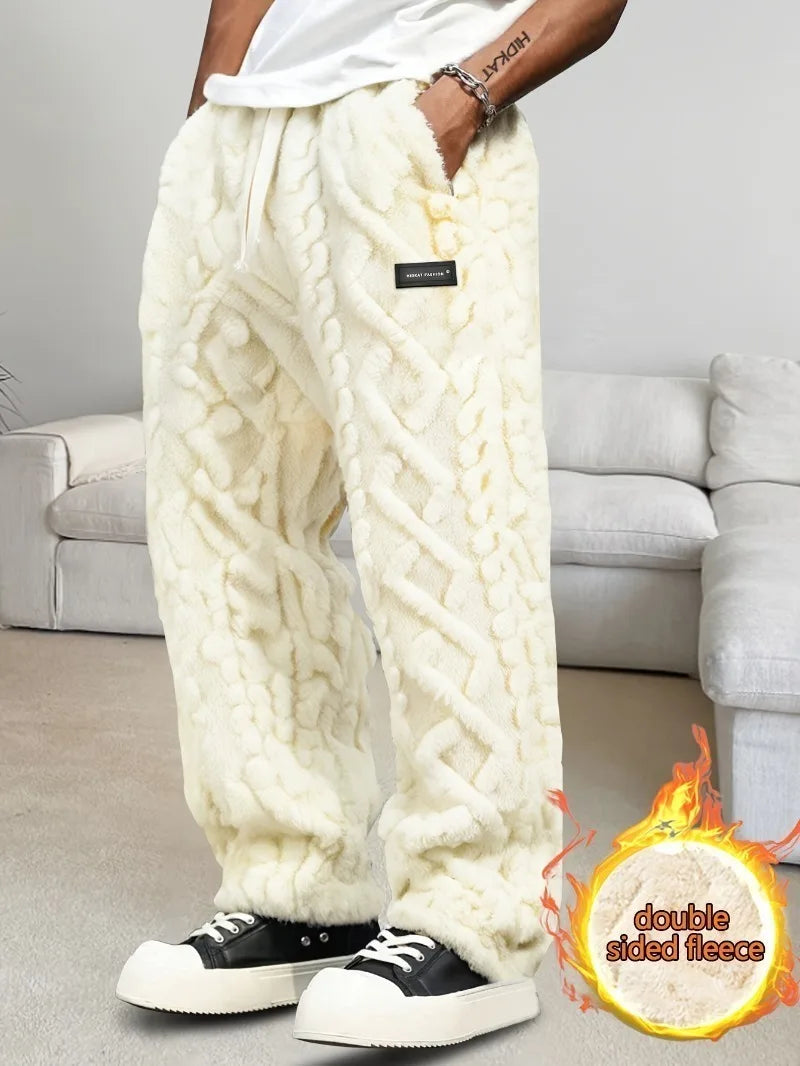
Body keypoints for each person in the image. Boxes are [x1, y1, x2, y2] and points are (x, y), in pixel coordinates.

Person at [117, 0, 627, 1047]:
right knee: (225, 531)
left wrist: (464, 94)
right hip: (242, 147)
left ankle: (475, 921)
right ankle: (297, 891)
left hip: (400, 130)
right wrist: (209, 121)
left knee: (449, 524)